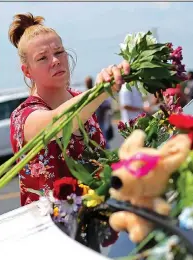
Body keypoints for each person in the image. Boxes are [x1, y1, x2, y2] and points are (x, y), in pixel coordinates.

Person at [8, 13, 130, 206]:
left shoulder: (79, 97)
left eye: (59, 52)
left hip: (99, 216)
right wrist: (100, 91)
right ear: (27, 71)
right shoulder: (23, 116)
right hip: (53, 227)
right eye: (42, 58)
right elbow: (58, 121)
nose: (55, 61)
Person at [85, 76, 113, 149]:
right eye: (87, 82)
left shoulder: (97, 93)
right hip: (89, 125)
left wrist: (99, 106)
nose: (88, 84)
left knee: (103, 142)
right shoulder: (84, 95)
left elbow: (107, 105)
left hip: (100, 123)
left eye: (89, 82)